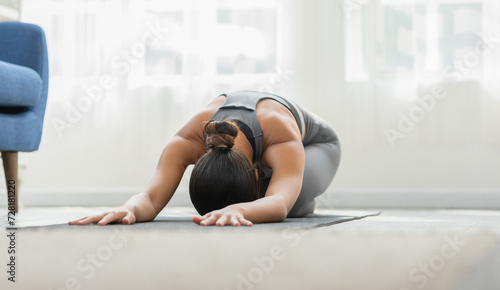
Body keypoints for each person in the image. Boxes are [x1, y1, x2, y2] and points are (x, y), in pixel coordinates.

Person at [69, 90, 341, 227]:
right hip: (272, 152)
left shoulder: (277, 131)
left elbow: (279, 203)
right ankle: (281, 190)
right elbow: (150, 198)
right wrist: (130, 208)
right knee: (270, 201)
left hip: (317, 146)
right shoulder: (189, 140)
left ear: (257, 174)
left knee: (285, 204)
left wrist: (242, 209)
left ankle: (302, 200)